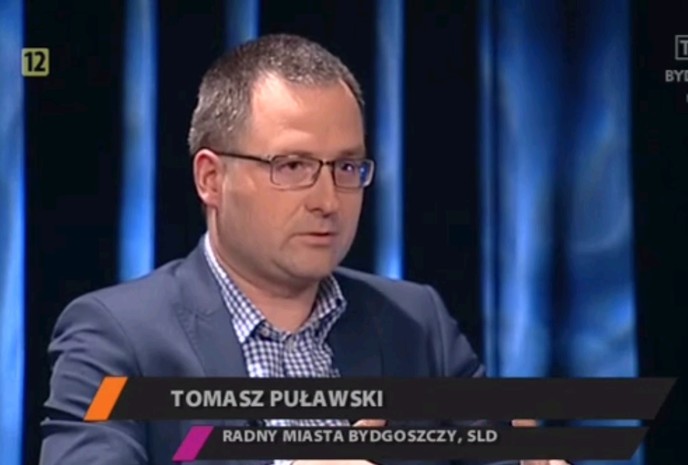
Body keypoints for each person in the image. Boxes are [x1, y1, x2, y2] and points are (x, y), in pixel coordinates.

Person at [39, 34, 567, 465]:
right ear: (211, 179)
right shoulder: (117, 336)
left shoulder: (416, 322)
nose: (328, 200)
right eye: (292, 166)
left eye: (346, 167)